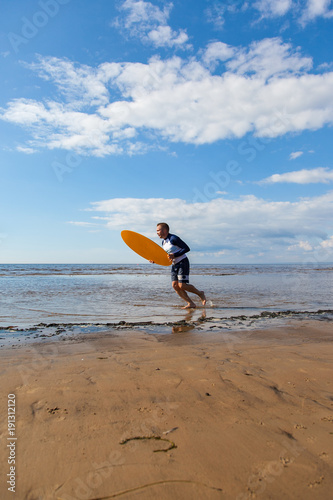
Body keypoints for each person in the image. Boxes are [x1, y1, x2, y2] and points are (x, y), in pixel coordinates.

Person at [155, 222, 206, 309]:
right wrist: (155, 260)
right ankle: (191, 303)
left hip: (183, 262)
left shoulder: (173, 238)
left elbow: (186, 248)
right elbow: (166, 256)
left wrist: (174, 255)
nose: (157, 232)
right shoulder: (163, 242)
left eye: (158, 230)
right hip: (175, 264)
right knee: (175, 286)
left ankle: (200, 293)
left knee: (182, 285)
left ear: (165, 230)